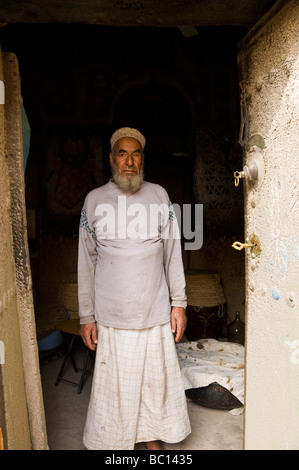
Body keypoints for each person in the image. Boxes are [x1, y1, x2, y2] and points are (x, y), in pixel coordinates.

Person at [78, 127, 191, 450]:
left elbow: (172, 252)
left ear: (142, 159)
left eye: (136, 154)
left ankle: (152, 439)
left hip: (153, 310)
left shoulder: (158, 195)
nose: (129, 161)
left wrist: (178, 302)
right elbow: (86, 262)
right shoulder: (95, 199)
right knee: (118, 388)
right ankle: (117, 442)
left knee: (153, 385)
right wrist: (87, 315)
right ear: (112, 159)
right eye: (123, 154)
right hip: (112, 314)